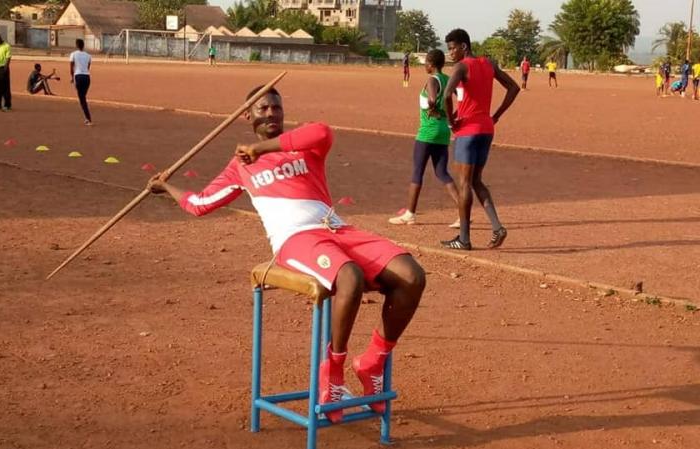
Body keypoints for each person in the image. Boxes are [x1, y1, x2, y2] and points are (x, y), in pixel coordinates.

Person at [147, 86, 426, 424]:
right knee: (348, 278)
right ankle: (333, 373)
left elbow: (322, 131)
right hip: (295, 240)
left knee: (412, 275)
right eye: (263, 109)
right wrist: (167, 188)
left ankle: (372, 361)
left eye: (276, 108)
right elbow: (199, 205)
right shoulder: (239, 168)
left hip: (335, 229)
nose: (271, 114)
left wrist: (259, 148)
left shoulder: (303, 144)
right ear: (247, 116)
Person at [440, 28, 520, 250]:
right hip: (486, 128)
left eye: (453, 48)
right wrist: (496, 115)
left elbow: (447, 94)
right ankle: (497, 227)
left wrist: (450, 122)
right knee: (476, 181)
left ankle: (464, 238)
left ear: (464, 46)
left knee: (464, 183)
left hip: (467, 131)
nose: (451, 54)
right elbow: (513, 87)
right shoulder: (489, 64)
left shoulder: (462, 66)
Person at [389, 49, 462, 229]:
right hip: (444, 130)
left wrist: (433, 106)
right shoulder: (447, 79)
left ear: (430, 64)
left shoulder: (432, 79)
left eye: (425, 63)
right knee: (442, 173)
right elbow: (462, 99)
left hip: (428, 131)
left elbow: (431, 98)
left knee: (417, 172)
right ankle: (463, 213)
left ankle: (410, 214)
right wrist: (450, 116)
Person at [69, 39, 92, 125]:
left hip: (78, 77)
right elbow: (88, 67)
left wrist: (72, 77)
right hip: (87, 77)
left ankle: (88, 119)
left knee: (82, 98)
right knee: (83, 97)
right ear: (83, 45)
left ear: (76, 45)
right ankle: (87, 117)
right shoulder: (88, 55)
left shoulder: (73, 54)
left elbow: (71, 68)